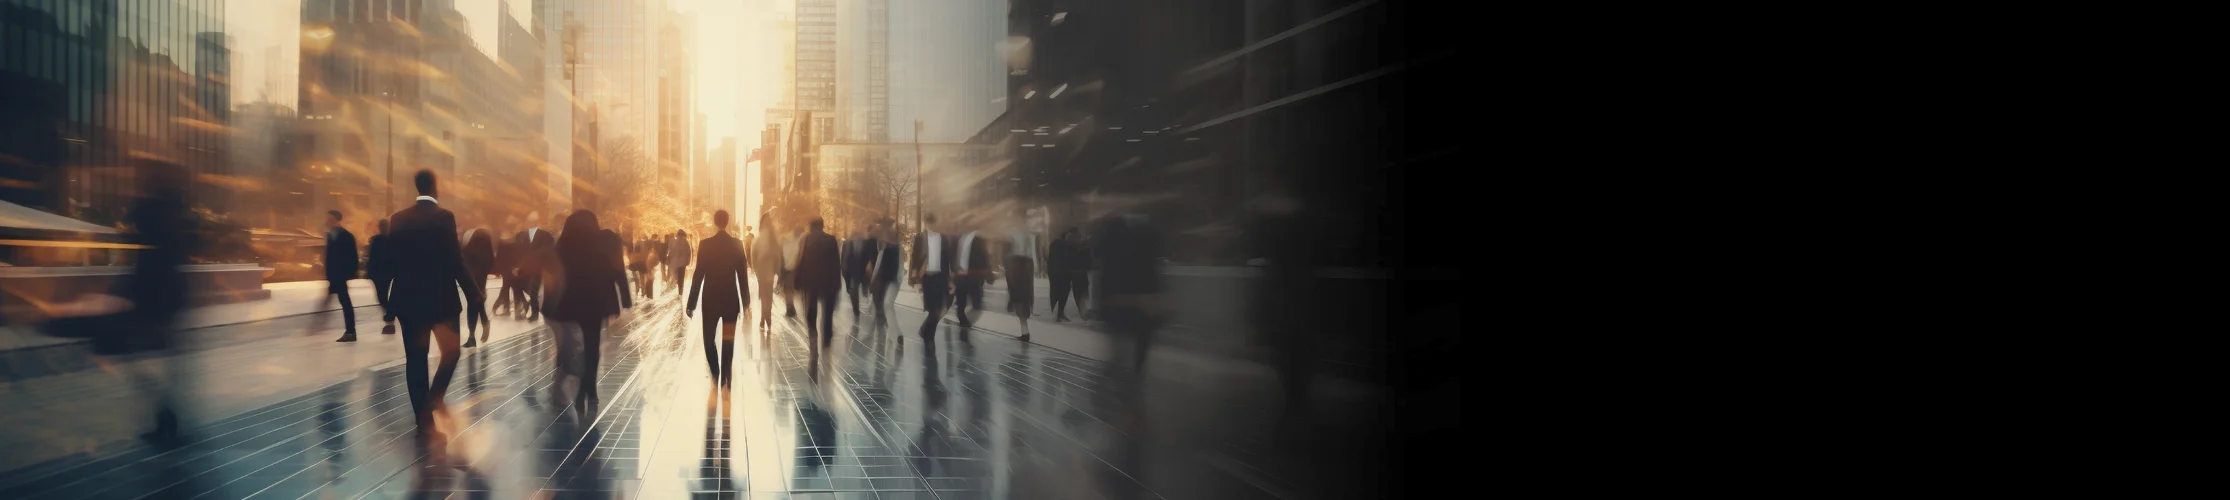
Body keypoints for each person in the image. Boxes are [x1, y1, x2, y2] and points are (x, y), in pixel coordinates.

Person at [385, 170, 485, 449]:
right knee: (451, 352)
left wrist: (389, 303)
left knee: (415, 360)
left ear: (415, 187)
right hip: (441, 300)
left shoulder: (399, 219)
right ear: (436, 187)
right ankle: (434, 399)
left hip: (408, 300)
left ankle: (423, 419)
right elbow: (455, 260)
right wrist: (474, 292)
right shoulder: (444, 217)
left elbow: (391, 263)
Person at [546, 210, 631, 415]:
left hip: (568, 303)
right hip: (595, 302)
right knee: (592, 347)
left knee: (568, 346)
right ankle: (589, 389)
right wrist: (625, 298)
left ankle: (569, 380)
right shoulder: (603, 244)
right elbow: (617, 270)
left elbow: (553, 276)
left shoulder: (562, 246)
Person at [686, 210, 749, 387]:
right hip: (730, 300)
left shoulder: (705, 245)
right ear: (727, 222)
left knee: (708, 339)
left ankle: (715, 371)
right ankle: (727, 372)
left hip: (710, 300)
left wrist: (691, 303)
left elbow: (698, 275)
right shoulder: (737, 244)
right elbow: (742, 276)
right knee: (728, 338)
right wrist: (746, 303)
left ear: (715, 222)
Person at [793, 217, 842, 366]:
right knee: (827, 314)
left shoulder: (806, 239)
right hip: (827, 283)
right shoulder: (831, 240)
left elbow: (799, 260)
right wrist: (837, 283)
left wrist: (797, 281)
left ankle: (813, 338)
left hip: (810, 283)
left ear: (811, 227)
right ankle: (826, 340)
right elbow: (835, 263)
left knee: (811, 312)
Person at [909, 213, 956, 342]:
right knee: (932, 308)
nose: (930, 225)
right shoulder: (920, 237)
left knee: (941, 306)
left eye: (932, 222)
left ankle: (925, 330)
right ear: (925, 223)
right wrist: (914, 274)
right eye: (928, 222)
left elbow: (947, 259)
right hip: (927, 276)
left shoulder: (943, 238)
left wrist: (950, 278)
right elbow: (915, 256)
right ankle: (928, 334)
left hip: (940, 276)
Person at [317, 210, 362, 342]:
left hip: (340, 275)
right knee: (337, 301)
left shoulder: (346, 236)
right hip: (334, 275)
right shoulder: (331, 236)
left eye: (328, 219)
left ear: (334, 220)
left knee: (344, 302)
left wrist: (348, 273)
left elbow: (352, 257)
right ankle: (347, 330)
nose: (326, 222)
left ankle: (350, 331)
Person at [952, 217, 993, 335]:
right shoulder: (959, 238)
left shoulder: (979, 238)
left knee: (977, 305)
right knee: (960, 305)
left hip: (973, 276)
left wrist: (987, 272)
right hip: (960, 277)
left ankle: (966, 324)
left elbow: (984, 256)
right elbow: (953, 255)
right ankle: (964, 326)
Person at [1005, 211, 1040, 342]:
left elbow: (1011, 251)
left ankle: (1025, 330)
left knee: (1020, 297)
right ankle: (1025, 330)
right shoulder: (1029, 233)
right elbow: (1032, 252)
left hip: (1017, 264)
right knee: (1024, 296)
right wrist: (1035, 267)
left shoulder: (1013, 233)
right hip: (1025, 264)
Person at [514, 212, 554, 319]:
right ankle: (532, 307)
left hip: (540, 267)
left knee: (535, 288)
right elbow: (522, 253)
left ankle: (535, 312)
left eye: (530, 221)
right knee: (527, 287)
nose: (528, 223)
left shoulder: (546, 235)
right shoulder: (523, 236)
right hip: (528, 267)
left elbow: (551, 250)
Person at [461, 228, 496, 347]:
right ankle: (483, 322)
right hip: (479, 276)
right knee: (477, 301)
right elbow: (490, 259)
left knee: (473, 303)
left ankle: (472, 335)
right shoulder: (485, 242)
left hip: (470, 276)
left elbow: (462, 258)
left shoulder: (467, 240)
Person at [1048, 228, 1090, 323]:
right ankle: (1059, 314)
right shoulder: (1066, 246)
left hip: (1063, 272)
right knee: (1063, 293)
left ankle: (1060, 314)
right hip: (1064, 272)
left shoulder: (1059, 245)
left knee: (1062, 293)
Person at [750, 215, 784, 331]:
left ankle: (764, 319)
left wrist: (778, 271)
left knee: (766, 297)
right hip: (763, 272)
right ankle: (766, 319)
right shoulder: (767, 238)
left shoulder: (771, 239)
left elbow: (778, 256)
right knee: (766, 297)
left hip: (767, 272)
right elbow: (754, 254)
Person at [869, 221, 904, 329]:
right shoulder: (888, 246)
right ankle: (882, 320)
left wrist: (874, 278)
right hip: (886, 278)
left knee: (883, 302)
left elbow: (881, 264)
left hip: (886, 278)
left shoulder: (891, 248)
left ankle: (883, 321)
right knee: (882, 301)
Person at [367, 219, 397, 333]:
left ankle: (390, 317)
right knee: (384, 296)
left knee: (382, 296)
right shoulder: (392, 240)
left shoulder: (377, 240)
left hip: (380, 272)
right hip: (387, 272)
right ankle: (390, 315)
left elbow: (372, 256)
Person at [843, 227, 872, 320]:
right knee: (853, 290)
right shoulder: (847, 243)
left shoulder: (866, 243)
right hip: (853, 271)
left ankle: (857, 309)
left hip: (862, 271)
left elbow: (869, 256)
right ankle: (856, 310)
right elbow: (844, 259)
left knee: (856, 290)